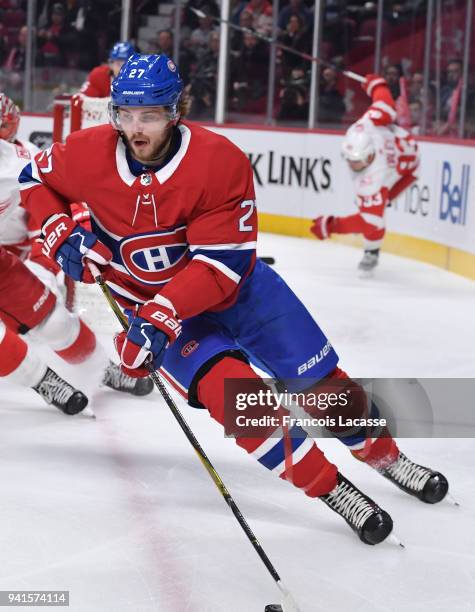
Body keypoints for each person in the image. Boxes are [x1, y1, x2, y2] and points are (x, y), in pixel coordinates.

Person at [21, 55, 448, 546]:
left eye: (150, 115)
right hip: (161, 315)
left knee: (323, 388)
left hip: (239, 294)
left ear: (176, 110)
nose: (135, 129)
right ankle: (332, 490)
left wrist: (160, 314)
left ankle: (387, 456)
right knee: (245, 408)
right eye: (126, 114)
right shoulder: (87, 151)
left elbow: (219, 268)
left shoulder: (218, 161)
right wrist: (56, 230)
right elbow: (36, 179)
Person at [0, 92, 153, 400]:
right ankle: (43, 381)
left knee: (53, 320)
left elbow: (54, 185)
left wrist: (76, 226)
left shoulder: (15, 160)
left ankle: (102, 368)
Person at [311, 73, 419, 273]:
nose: (355, 166)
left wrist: (333, 225)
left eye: (359, 162)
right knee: (373, 209)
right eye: (351, 161)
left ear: (369, 155)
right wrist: (376, 85)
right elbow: (384, 103)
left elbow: (369, 222)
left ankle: (372, 250)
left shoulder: (371, 181)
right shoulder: (365, 126)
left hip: (406, 172)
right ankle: (372, 249)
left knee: (374, 215)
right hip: (403, 146)